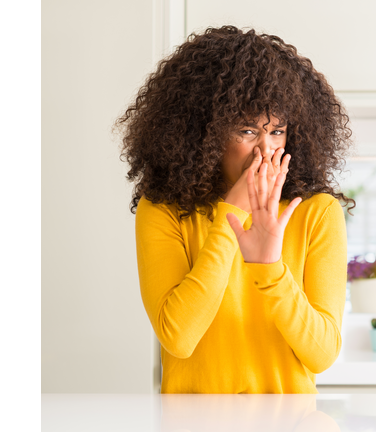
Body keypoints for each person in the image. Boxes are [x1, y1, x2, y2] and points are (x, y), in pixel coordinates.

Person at [115, 25, 354, 394]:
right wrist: (231, 218)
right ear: (203, 133)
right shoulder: (163, 210)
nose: (265, 150)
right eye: (246, 131)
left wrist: (271, 267)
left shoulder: (316, 213)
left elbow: (321, 354)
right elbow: (178, 338)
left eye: (277, 132)